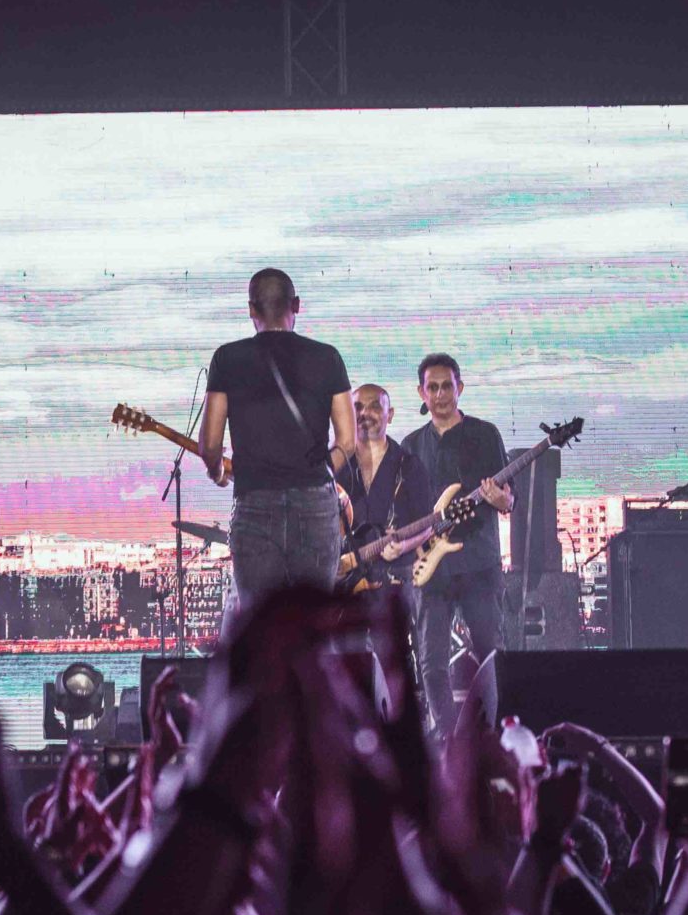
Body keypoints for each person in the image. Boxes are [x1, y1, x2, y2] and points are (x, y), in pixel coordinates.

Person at [198, 269, 355, 614]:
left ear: (251, 309)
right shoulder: (327, 357)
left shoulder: (227, 358)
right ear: (296, 305)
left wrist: (218, 473)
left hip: (255, 502)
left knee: (262, 627)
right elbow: (347, 440)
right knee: (313, 624)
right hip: (315, 505)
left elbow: (209, 444)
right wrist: (321, 474)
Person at [404, 353, 512, 734]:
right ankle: (449, 739)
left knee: (490, 655)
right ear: (421, 393)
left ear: (460, 388)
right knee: (431, 662)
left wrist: (501, 499)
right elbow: (405, 513)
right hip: (432, 571)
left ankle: (492, 735)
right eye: (432, 387)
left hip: (479, 564)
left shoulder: (486, 434)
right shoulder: (411, 446)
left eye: (446, 386)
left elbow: (508, 499)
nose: (440, 394)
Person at [336, 384, 426, 587]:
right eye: (357, 407)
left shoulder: (409, 465)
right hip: (346, 582)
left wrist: (404, 546)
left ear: (390, 414)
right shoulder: (336, 466)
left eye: (375, 406)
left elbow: (427, 526)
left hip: (396, 580)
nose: (364, 413)